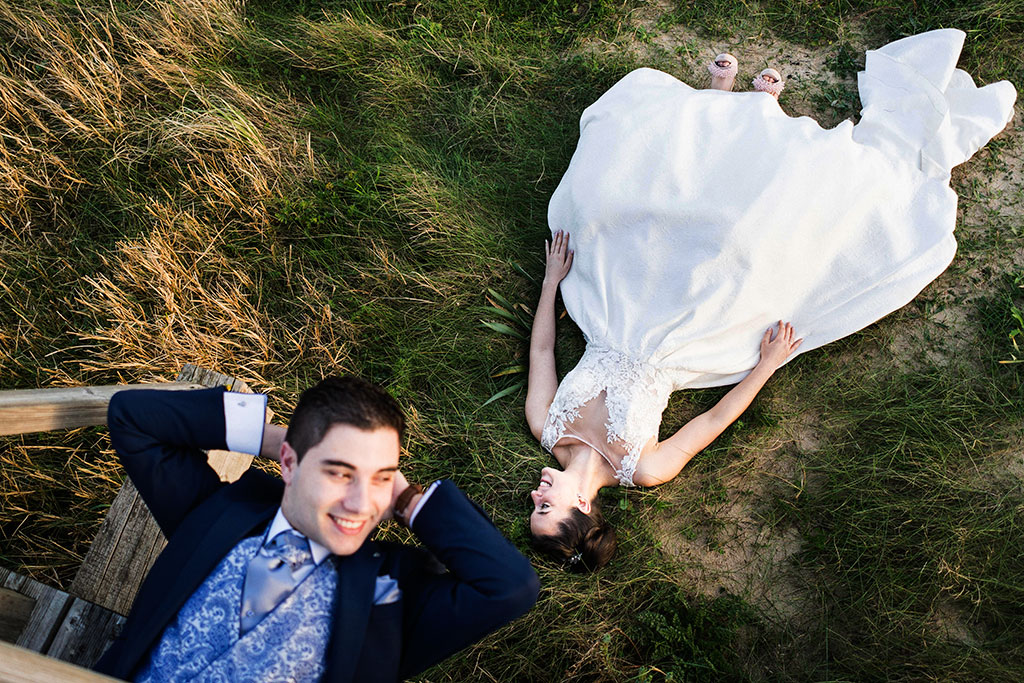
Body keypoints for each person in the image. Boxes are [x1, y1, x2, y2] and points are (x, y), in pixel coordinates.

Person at [524, 29, 1016, 572]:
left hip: (615, 306)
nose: (536, 494)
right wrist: (767, 365)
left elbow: (543, 353)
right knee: (743, 246)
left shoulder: (542, 423)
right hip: (685, 337)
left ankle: (724, 104)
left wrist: (552, 283)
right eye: (545, 508)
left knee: (632, 204)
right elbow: (713, 421)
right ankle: (757, 122)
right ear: (583, 508)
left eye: (535, 505)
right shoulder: (644, 469)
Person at [95, 375, 539, 681]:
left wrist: (407, 501)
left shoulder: (395, 592)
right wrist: (277, 440)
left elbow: (510, 587)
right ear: (289, 463)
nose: (362, 503)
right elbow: (132, 418)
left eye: (382, 476)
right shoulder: (218, 512)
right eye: (340, 473)